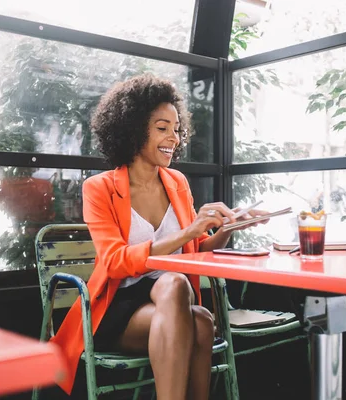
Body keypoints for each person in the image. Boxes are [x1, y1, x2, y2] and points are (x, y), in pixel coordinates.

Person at [51, 74, 268, 399]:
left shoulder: (177, 182)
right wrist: (188, 231)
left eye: (177, 129)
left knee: (196, 313)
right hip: (120, 308)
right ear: (135, 129)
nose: (174, 138)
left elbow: (195, 251)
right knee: (189, 302)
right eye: (162, 128)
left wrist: (226, 228)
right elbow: (114, 263)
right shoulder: (100, 188)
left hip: (173, 301)